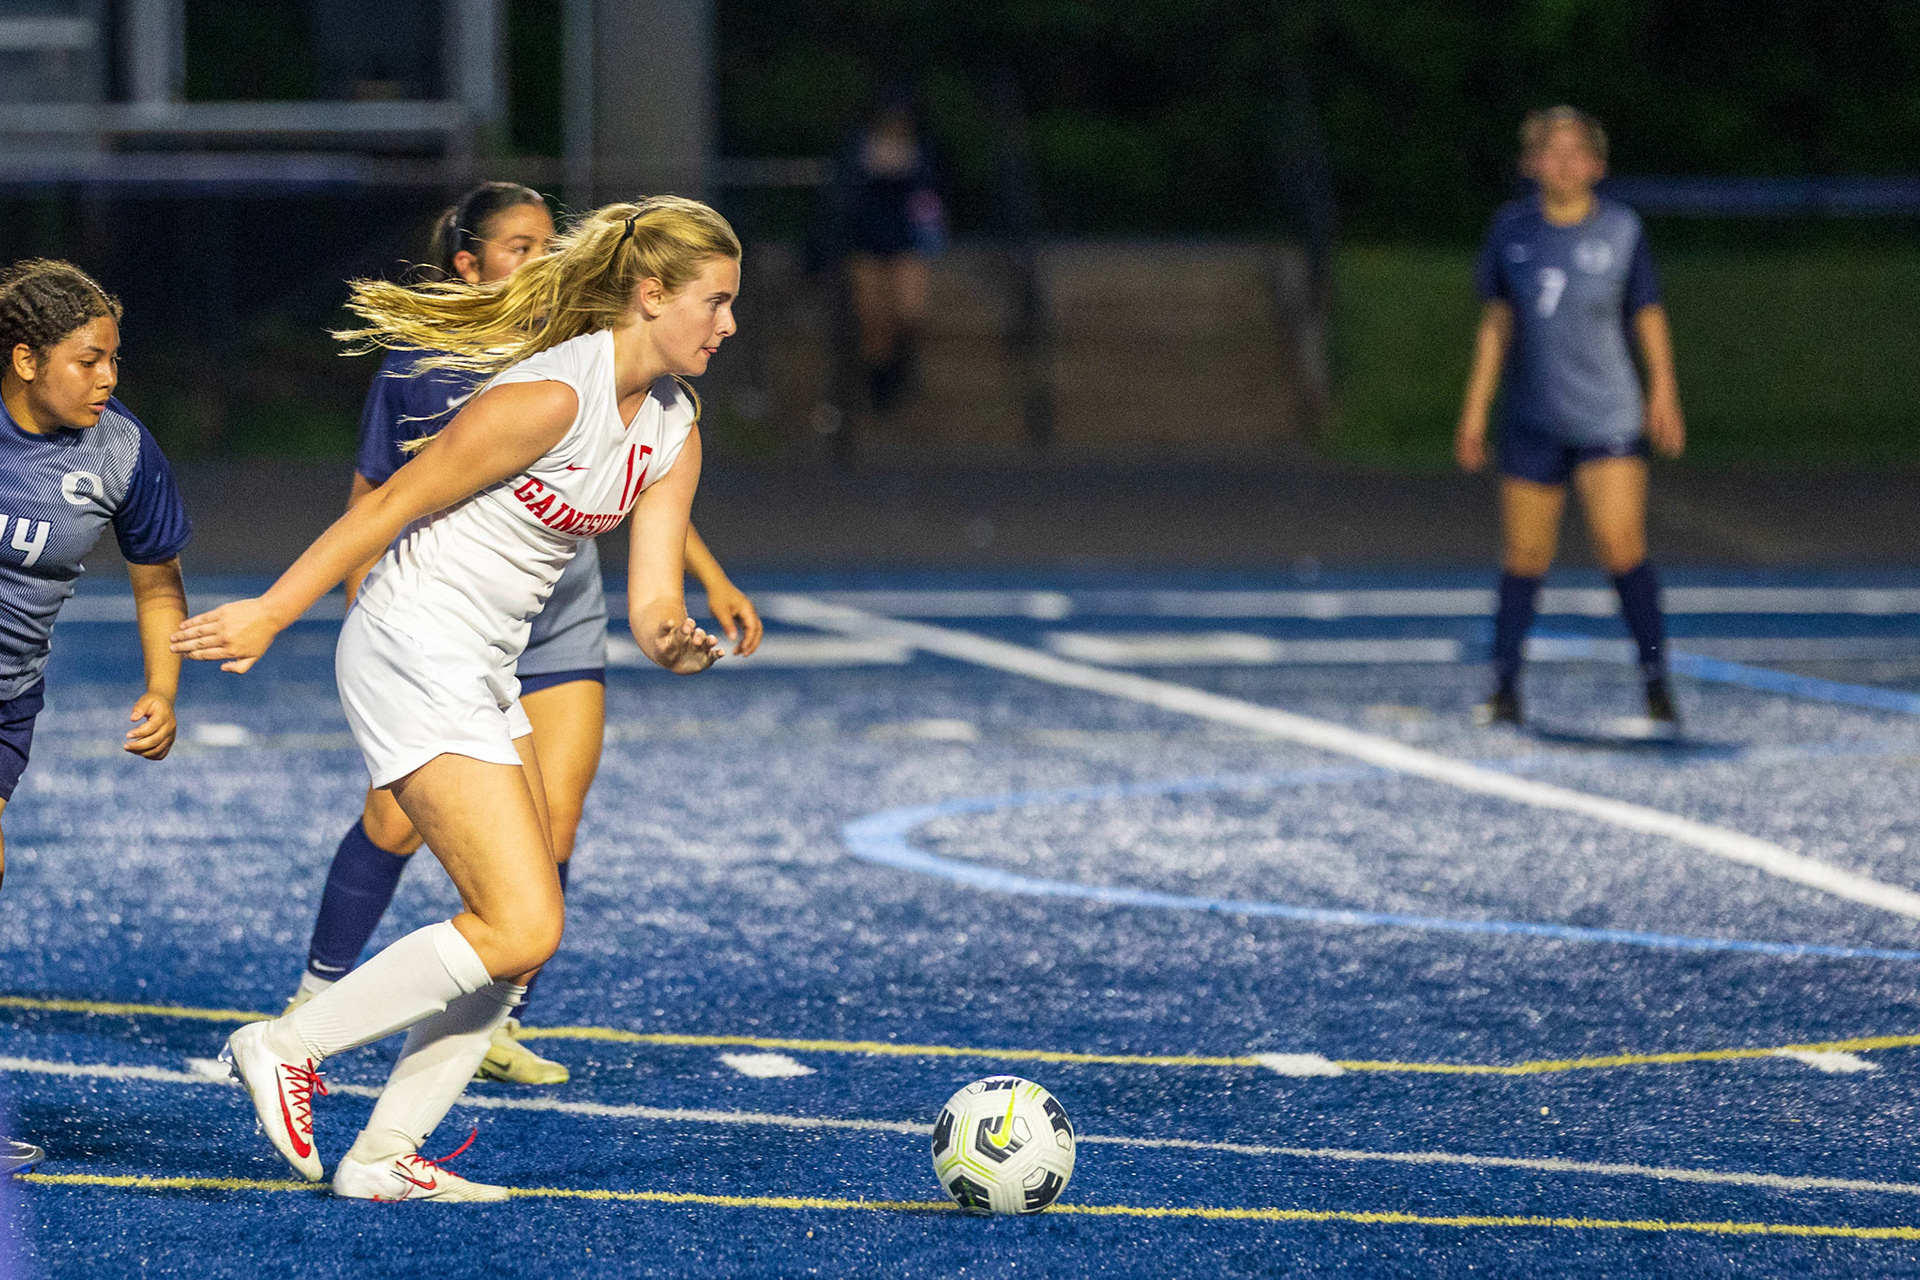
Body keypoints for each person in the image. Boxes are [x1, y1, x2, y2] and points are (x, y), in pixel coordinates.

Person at [173, 196, 741, 1200]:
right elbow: (392, 501)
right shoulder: (551, 396)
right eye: (716, 301)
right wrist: (271, 611)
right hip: (410, 642)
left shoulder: (673, 426)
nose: (729, 324)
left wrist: (677, 645)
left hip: (478, 661)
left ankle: (382, 1154)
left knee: (518, 935)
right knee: (521, 924)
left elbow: (653, 602)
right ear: (652, 295)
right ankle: (286, 1043)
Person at [286, 183, 762, 1090]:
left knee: (544, 859)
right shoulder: (513, 377)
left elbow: (638, 486)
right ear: (469, 263)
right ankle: (303, 1021)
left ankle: (437, 1085)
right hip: (435, 628)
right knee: (431, 850)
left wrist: (680, 617)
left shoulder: (657, 404)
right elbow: (383, 502)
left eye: (551, 241)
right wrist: (297, 613)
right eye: (519, 244)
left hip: (540, 621)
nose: (541, 257)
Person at [0, 260, 193, 1173]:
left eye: (114, 358)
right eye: (89, 360)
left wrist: (164, 687)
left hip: (11, 698)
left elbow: (157, 581)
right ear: (26, 359)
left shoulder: (119, 450)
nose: (109, 377)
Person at [1455, 106, 1686, 728]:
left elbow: (1647, 311)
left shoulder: (1621, 230)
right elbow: (1497, 324)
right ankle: (1505, 686)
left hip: (1608, 416)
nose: (1562, 163)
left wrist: (1663, 389)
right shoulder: (1511, 231)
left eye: (1574, 151)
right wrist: (1474, 410)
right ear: (1529, 163)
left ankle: (1656, 679)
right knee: (1525, 554)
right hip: (1533, 418)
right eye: (1549, 152)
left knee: (1622, 545)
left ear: (1596, 165)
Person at [828, 95, 946, 414]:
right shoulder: (858, 149)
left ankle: (900, 367)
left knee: (910, 312)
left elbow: (930, 197)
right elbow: (845, 195)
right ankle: (880, 383)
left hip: (906, 242)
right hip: (866, 242)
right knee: (873, 320)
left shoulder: (920, 152)